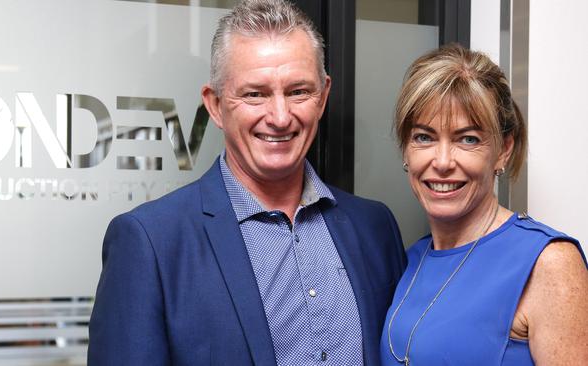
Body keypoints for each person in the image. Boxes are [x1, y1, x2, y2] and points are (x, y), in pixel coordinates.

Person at [88, 0, 406, 364]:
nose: (281, 117)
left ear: (323, 96)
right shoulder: (152, 243)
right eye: (255, 94)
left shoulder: (374, 227)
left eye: (298, 91)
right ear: (214, 105)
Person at [380, 43, 588, 365]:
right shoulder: (412, 260)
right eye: (424, 137)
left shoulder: (549, 263)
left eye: (468, 139)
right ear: (406, 149)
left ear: (503, 150)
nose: (443, 161)